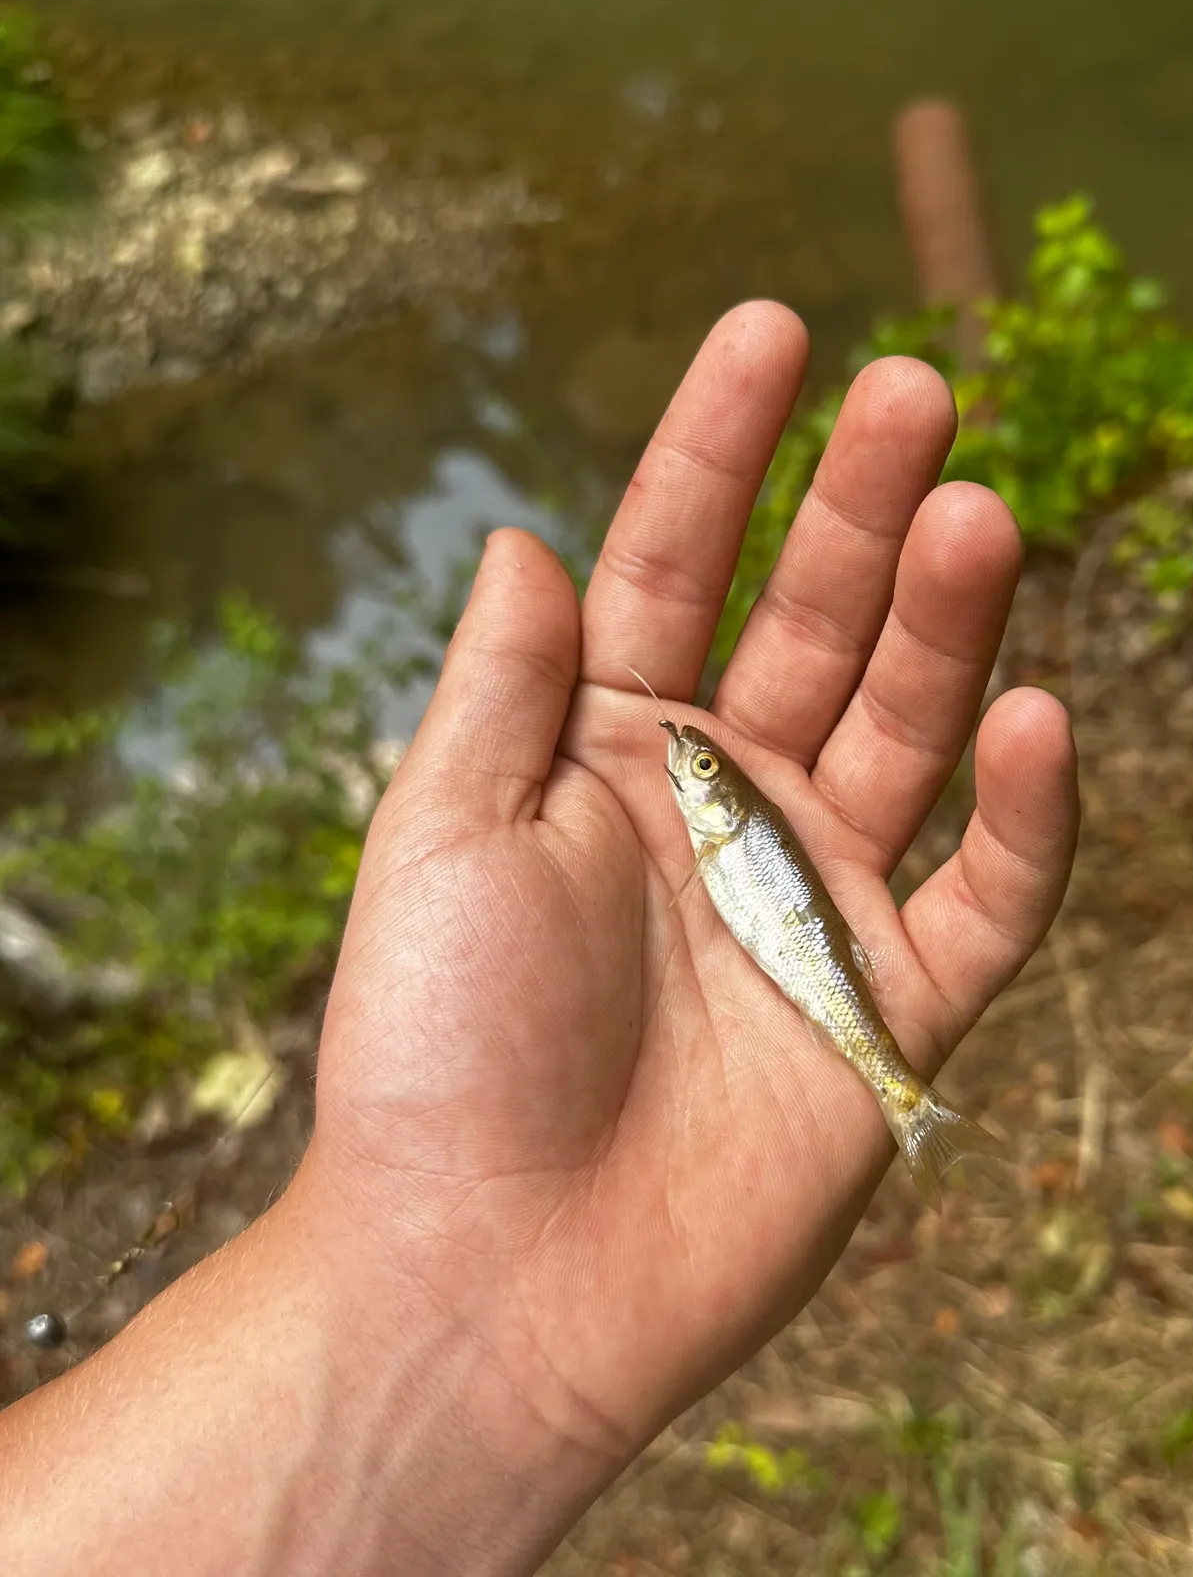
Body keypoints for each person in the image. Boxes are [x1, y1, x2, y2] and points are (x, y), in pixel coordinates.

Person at [0, 303, 1078, 1575]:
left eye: (698, 772)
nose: (687, 770)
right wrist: (417, 1241)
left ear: (709, 806)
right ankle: (904, 1101)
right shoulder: (705, 814)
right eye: (696, 769)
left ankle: (903, 1101)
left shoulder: (719, 819)